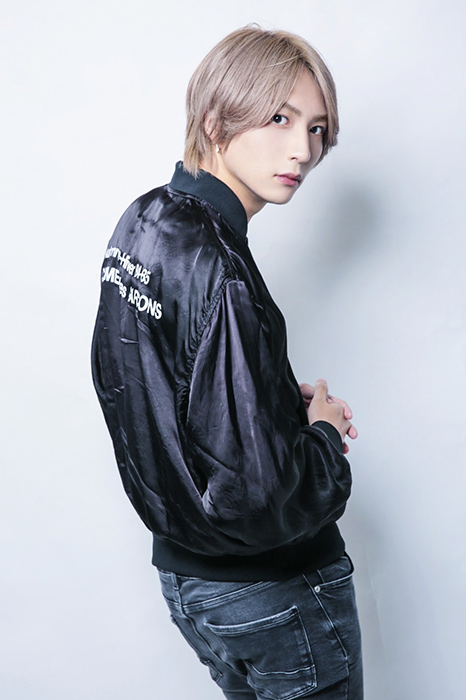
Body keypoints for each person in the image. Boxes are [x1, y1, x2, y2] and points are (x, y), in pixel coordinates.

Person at [91, 25, 363, 700]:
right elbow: (259, 497)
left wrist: (273, 400)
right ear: (215, 120)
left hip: (191, 588)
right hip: (274, 592)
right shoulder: (223, 269)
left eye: (317, 129)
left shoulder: (144, 220)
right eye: (280, 119)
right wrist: (323, 436)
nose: (303, 150)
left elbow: (145, 385)